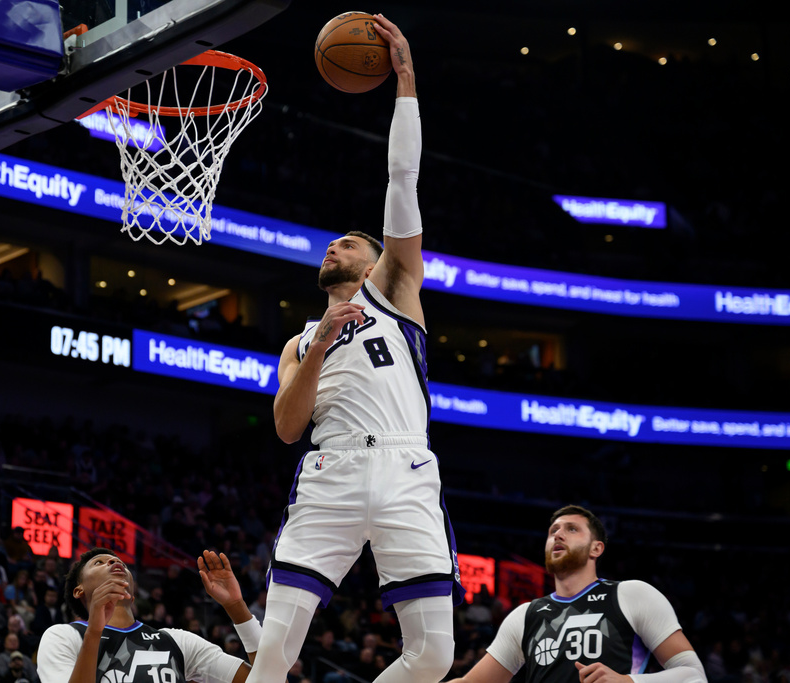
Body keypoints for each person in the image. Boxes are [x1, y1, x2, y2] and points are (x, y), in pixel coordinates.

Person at [257, 14, 459, 683]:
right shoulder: (297, 340)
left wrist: (405, 82)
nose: (333, 247)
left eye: (349, 242)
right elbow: (288, 427)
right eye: (331, 243)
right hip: (330, 473)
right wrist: (319, 348)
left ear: (374, 261)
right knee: (275, 651)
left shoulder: (395, 288)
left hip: (404, 466)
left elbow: (403, 180)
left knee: (433, 655)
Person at [450, 505, 706, 683]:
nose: (558, 534)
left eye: (572, 529)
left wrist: (628, 681)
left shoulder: (632, 594)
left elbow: (693, 675)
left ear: (597, 548)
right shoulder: (525, 616)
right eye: (553, 531)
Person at [36, 548, 259, 683]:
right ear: (79, 590)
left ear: (132, 594)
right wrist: (94, 632)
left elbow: (270, 679)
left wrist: (236, 607)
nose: (114, 562)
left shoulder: (176, 641)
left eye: (119, 562)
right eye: (99, 563)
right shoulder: (63, 636)